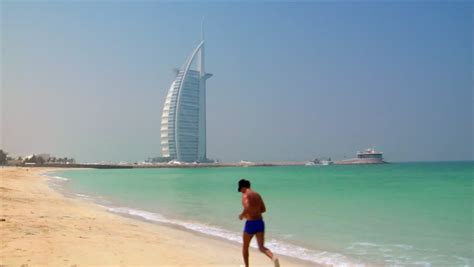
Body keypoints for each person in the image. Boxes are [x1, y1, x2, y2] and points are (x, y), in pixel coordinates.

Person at [238, 179, 279, 267]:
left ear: (243, 187)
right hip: (260, 222)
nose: (241, 191)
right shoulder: (257, 195)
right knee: (261, 247)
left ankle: (246, 266)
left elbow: (247, 207)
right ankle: (273, 258)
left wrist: (242, 215)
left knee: (245, 247)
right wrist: (255, 211)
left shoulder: (245, 195)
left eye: (240, 189)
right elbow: (263, 209)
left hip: (251, 224)